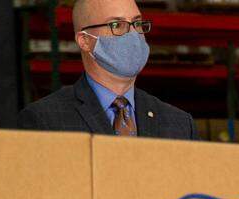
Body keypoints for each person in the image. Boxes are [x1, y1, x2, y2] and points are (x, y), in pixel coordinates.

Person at [18, 0, 195, 139]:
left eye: (137, 23)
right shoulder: (44, 121)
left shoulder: (180, 125)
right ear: (84, 41)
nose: (133, 34)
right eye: (117, 25)